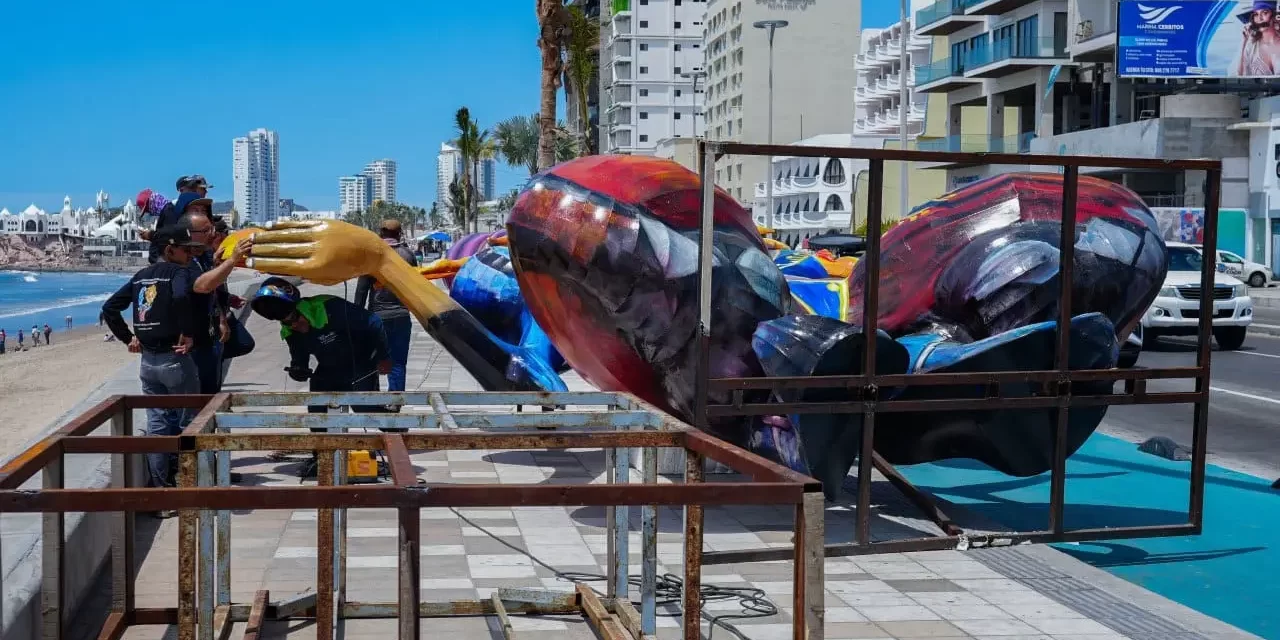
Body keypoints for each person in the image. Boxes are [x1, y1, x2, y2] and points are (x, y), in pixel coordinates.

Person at [100, 225, 211, 497]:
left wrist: (128, 338)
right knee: (190, 422)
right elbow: (183, 296)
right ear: (169, 250)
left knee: (158, 427)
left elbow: (110, 308)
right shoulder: (179, 273)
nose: (188, 255)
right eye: (185, 249)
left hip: (148, 363)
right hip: (175, 358)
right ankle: (191, 488)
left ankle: (161, 494)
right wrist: (187, 332)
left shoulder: (140, 277)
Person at [250, 277, 393, 478]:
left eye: (297, 319)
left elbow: (374, 322)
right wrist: (297, 371)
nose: (296, 326)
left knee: (364, 408)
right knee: (316, 404)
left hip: (359, 363)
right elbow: (299, 360)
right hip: (328, 368)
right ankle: (321, 455)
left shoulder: (330, 307)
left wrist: (383, 356)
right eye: (289, 324)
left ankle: (397, 435)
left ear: (303, 311)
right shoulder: (291, 332)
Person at [176, 194, 249, 394]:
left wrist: (222, 317)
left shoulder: (206, 255)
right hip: (193, 342)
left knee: (211, 390)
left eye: (212, 228)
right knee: (198, 396)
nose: (212, 233)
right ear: (189, 233)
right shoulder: (183, 260)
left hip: (209, 336)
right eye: (206, 230)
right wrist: (232, 260)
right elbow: (203, 286)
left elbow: (213, 292)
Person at [353, 219, 418, 399]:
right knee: (398, 362)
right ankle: (395, 401)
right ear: (400, 233)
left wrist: (356, 317)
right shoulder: (408, 255)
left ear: (380, 233)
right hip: (401, 316)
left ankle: (373, 400)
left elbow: (362, 289)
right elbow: (415, 285)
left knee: (372, 358)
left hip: (376, 317)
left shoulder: (372, 255)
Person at [1235, 1, 1280, 76]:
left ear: (1274, 15)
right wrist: (1244, 42)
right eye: (1256, 14)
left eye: (1265, 13)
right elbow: (1238, 76)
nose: (1260, 18)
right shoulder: (1251, 46)